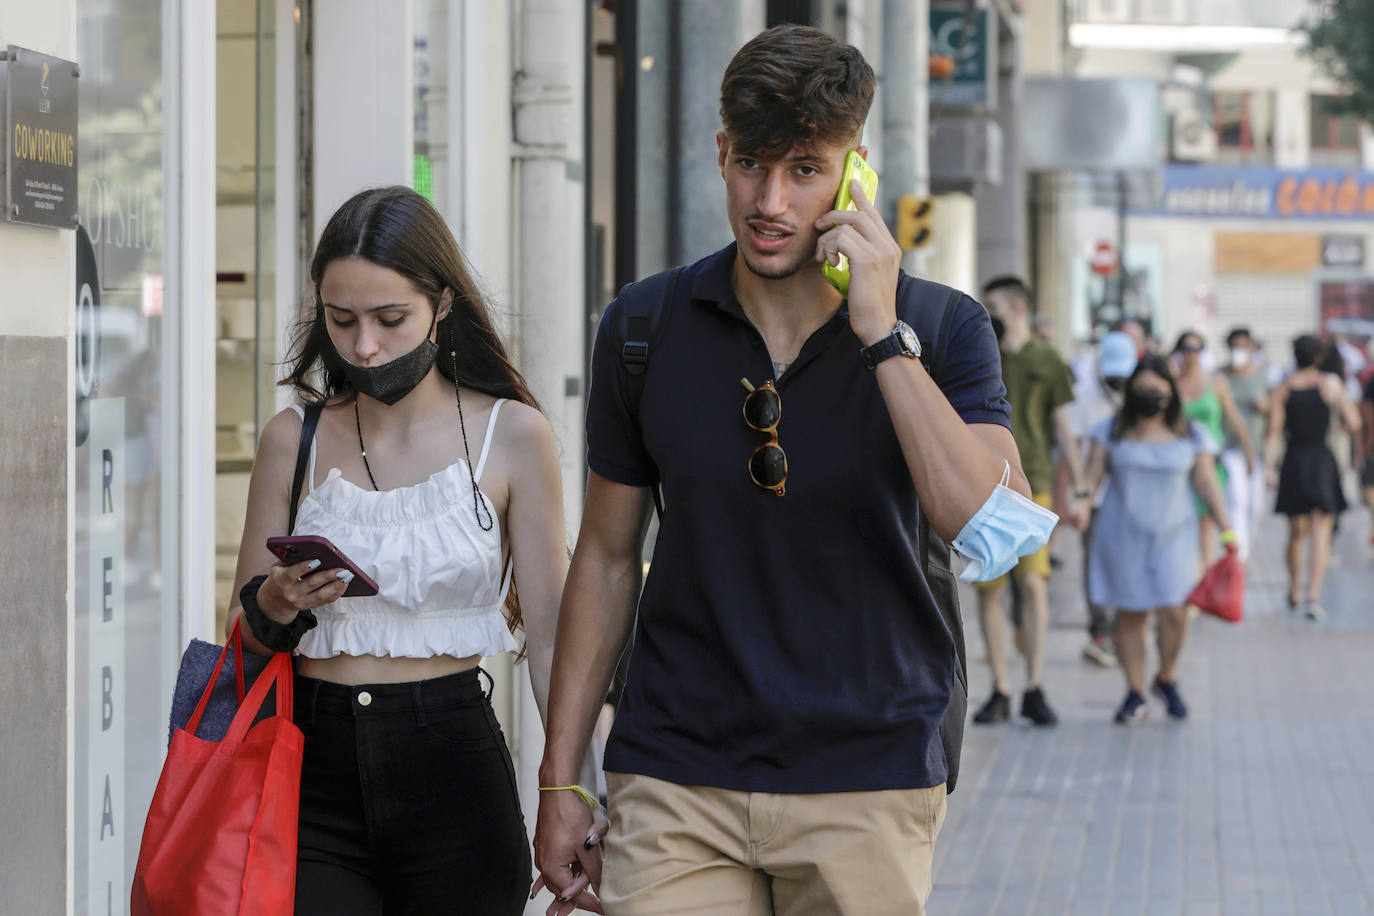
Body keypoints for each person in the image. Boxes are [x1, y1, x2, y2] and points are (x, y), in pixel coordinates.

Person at [533, 25, 1040, 915]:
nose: (770, 200)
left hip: (868, 773)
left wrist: (881, 334)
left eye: (805, 170)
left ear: (855, 174)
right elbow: (608, 557)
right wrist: (560, 779)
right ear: (721, 151)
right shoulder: (644, 325)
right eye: (752, 165)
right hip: (677, 770)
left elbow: (992, 531)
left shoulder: (944, 326)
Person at [225, 186, 605, 915]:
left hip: (454, 770)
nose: (365, 346)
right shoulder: (291, 438)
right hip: (310, 773)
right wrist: (274, 602)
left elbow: (558, 642)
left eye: (390, 319)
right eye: (343, 320)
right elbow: (239, 641)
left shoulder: (514, 436)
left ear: (442, 305)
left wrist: (574, 792)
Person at [1082, 355, 1232, 723]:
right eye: (1144, 388)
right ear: (1131, 390)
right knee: (1131, 614)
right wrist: (1078, 504)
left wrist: (1228, 529)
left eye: (1158, 388)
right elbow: (1091, 480)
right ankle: (1135, 692)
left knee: (1177, 610)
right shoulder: (1110, 430)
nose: (1150, 394)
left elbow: (1207, 484)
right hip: (1122, 535)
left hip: (1176, 537)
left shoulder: (1192, 434)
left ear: (1171, 392)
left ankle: (1165, 676)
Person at [972, 276, 1089, 727]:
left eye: (994, 306)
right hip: (982, 485)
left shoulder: (1047, 358)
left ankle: (1034, 685)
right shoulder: (981, 353)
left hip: (1033, 482)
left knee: (1035, 583)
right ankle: (1000, 687)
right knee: (990, 589)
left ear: (1018, 307)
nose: (989, 314)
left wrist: (1078, 486)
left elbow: (1064, 426)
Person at [1265, 335, 1361, 621]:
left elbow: (1273, 432)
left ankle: (1295, 587)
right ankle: (1313, 595)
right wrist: (1340, 428)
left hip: (1294, 460)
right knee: (1321, 529)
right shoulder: (1330, 385)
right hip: (1321, 460)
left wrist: (1269, 467)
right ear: (1318, 357)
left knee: (1296, 532)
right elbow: (1353, 421)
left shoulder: (1282, 389)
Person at [1065, 330, 1138, 667]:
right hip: (1093, 497)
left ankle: (1125, 630)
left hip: (1130, 497)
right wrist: (1077, 495)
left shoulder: (1141, 394)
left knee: (1128, 563)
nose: (1118, 382)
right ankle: (1100, 630)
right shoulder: (1082, 394)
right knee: (1094, 563)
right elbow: (1072, 445)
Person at [1173, 331, 1255, 567]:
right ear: (1179, 352)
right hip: (1182, 462)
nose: (1192, 354)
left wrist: (1248, 449)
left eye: (1197, 348)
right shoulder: (1173, 384)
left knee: (1207, 522)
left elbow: (1233, 417)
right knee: (1186, 522)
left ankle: (1205, 575)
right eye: (1188, 348)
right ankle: (1191, 572)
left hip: (1210, 462)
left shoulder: (1216, 382)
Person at [1218, 327, 1270, 562]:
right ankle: (1240, 553)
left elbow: (1275, 412)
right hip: (1228, 446)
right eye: (1235, 346)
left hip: (1256, 447)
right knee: (1236, 498)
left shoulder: (1262, 375)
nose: (1239, 351)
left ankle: (1245, 542)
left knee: (1255, 504)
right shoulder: (1219, 376)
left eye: (1243, 345)